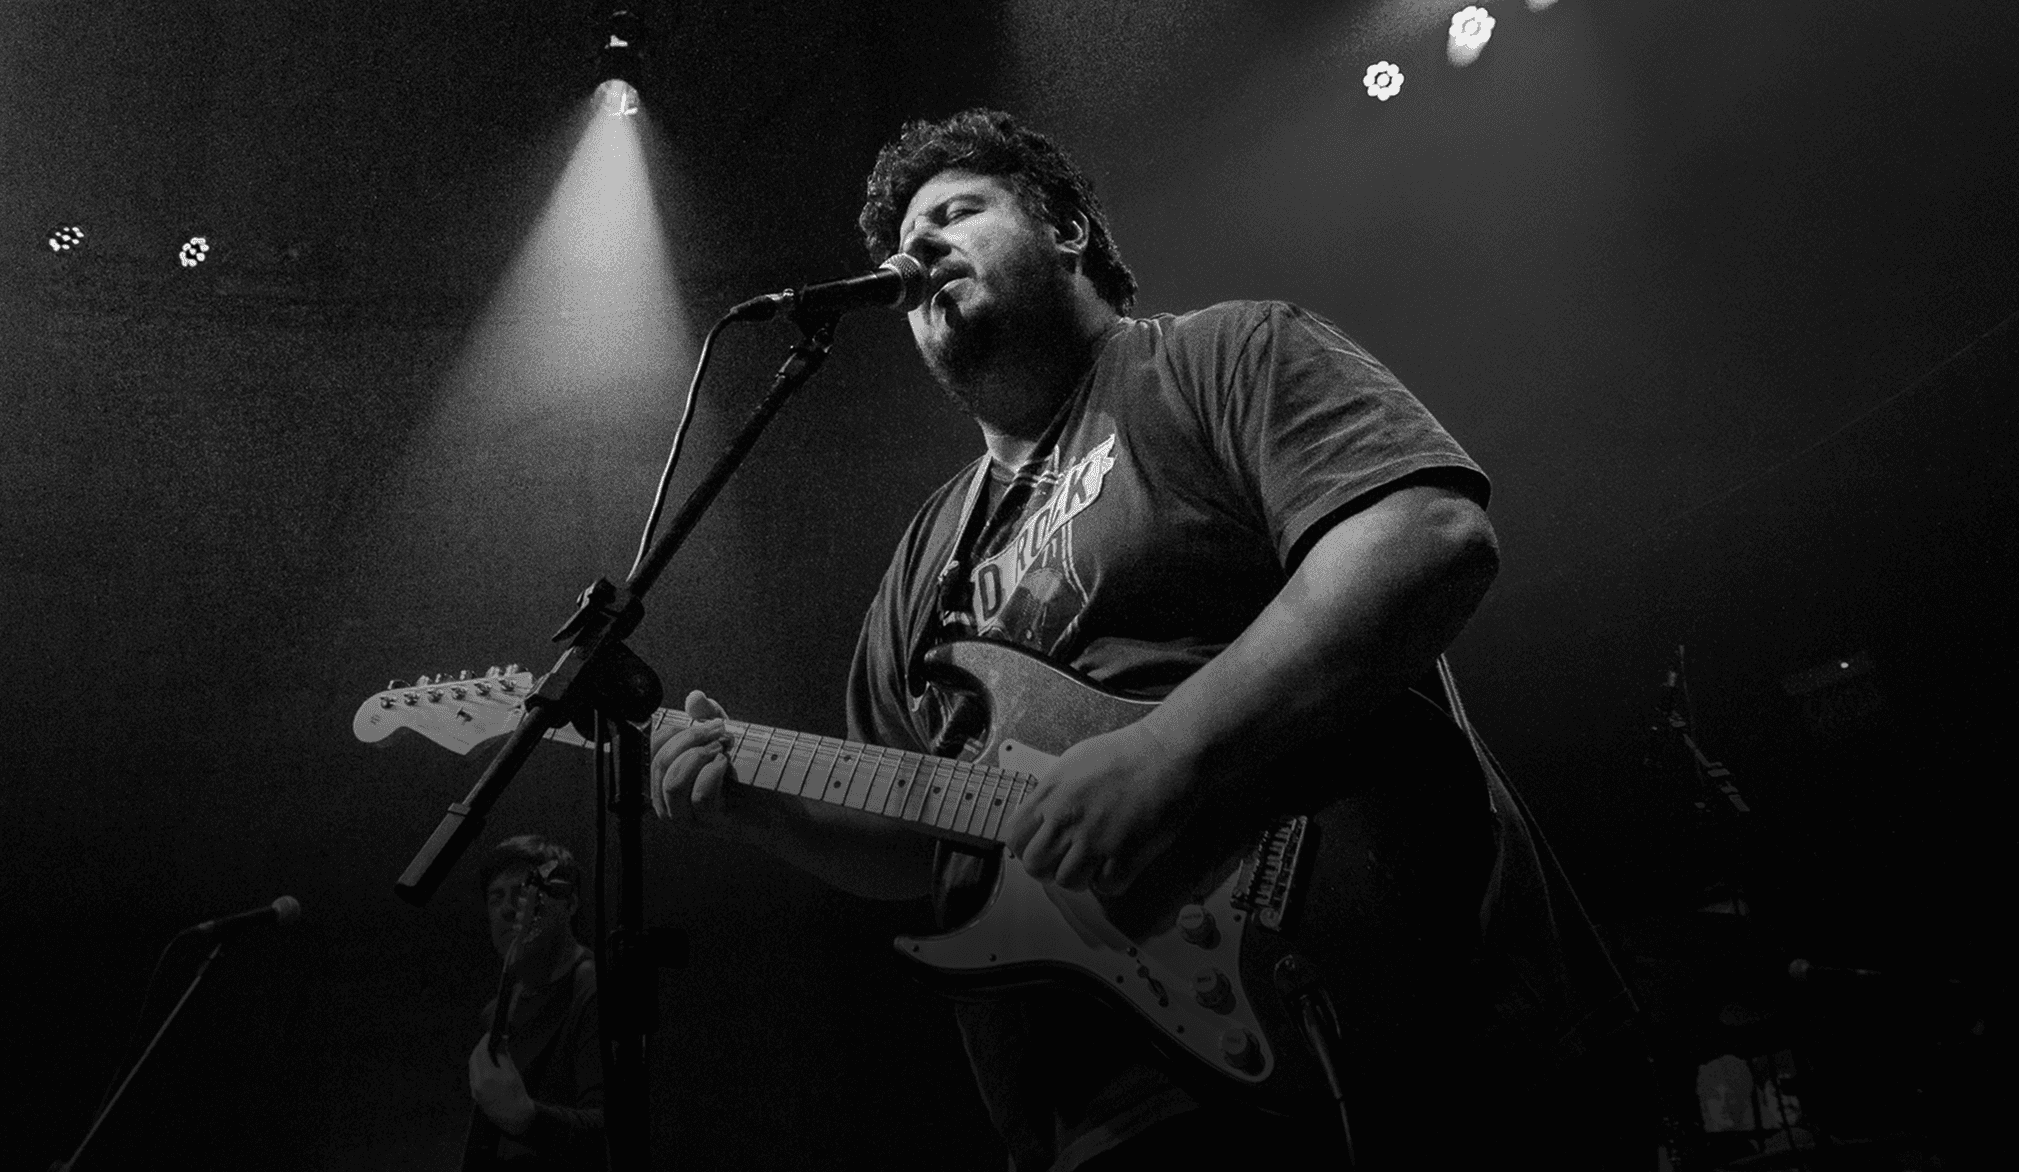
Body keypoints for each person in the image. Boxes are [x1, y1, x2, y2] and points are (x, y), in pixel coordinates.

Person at [651, 109, 1641, 1169]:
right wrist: (760, 803)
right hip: (1106, 1112)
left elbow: (1426, 536)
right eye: (904, 234)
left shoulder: (1218, 356)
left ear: (1068, 228)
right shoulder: (923, 562)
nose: (919, 245)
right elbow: (924, 834)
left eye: (956, 211)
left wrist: (1171, 754)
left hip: (1376, 1011)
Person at [462, 835, 604, 1171]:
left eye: (524, 893)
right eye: (496, 897)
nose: (509, 908)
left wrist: (526, 1119)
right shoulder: (496, 1012)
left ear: (569, 903)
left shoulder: (598, 990)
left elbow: (618, 1133)